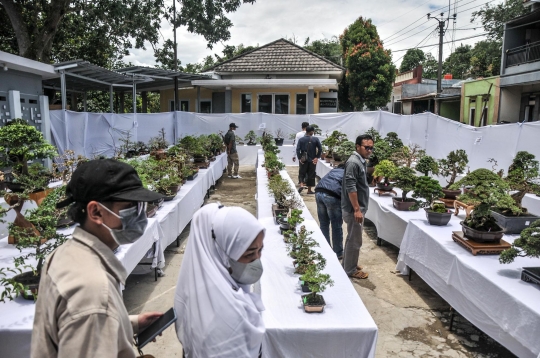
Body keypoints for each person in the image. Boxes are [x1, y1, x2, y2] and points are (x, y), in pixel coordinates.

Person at [31, 159, 164, 357]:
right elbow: (90, 311)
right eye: (131, 207)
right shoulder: (93, 292)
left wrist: (128, 324)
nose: (141, 215)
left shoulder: (63, 254)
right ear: (96, 212)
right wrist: (101, 313)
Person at [175, 203, 265, 358]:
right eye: (249, 253)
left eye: (260, 249)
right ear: (221, 251)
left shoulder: (196, 284)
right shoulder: (227, 315)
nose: (257, 258)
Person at [341, 134, 374, 280]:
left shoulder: (360, 161)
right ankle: (350, 270)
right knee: (355, 240)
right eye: (366, 147)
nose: (369, 150)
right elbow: (350, 187)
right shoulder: (354, 162)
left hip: (356, 208)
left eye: (371, 148)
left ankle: (349, 263)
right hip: (353, 209)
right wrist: (357, 209)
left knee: (351, 238)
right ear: (357, 147)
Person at [314, 164, 345, 258]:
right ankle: (338, 252)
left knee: (323, 223)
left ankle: (325, 249)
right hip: (331, 195)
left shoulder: (334, 170)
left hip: (318, 191)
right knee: (336, 225)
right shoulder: (348, 173)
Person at [296, 125, 322, 194]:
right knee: (311, 174)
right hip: (312, 160)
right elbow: (320, 149)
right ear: (312, 131)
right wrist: (317, 157)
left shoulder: (301, 139)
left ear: (306, 131)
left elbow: (298, 149)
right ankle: (309, 190)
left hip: (303, 159)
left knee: (302, 173)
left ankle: (301, 184)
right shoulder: (315, 139)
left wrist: (299, 158)